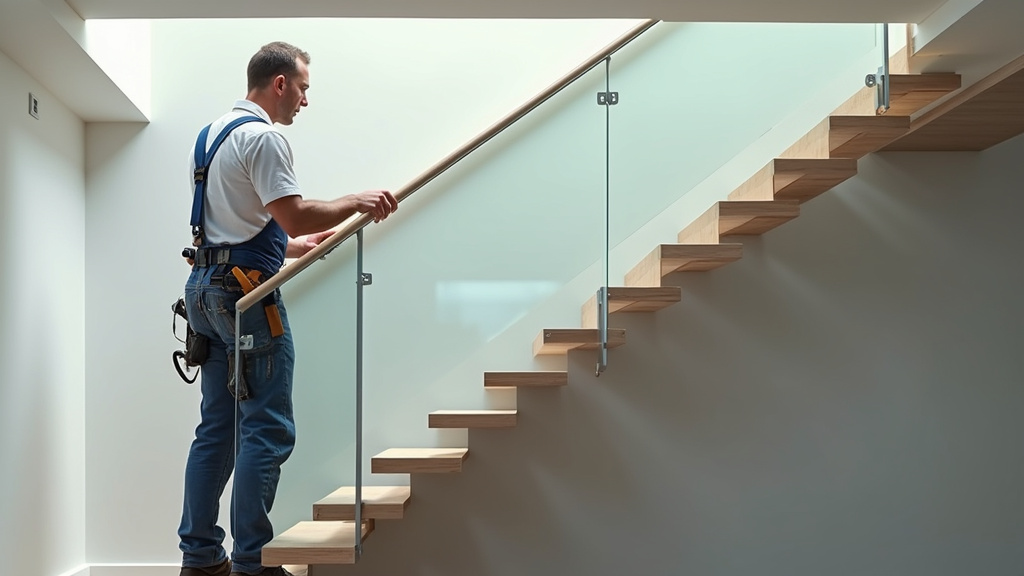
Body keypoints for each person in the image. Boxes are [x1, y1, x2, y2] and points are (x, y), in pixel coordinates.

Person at [178, 42, 398, 576]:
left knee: (217, 429)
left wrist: (291, 247)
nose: (304, 100)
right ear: (280, 83)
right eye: (302, 88)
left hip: (204, 289)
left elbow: (241, 220)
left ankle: (200, 558)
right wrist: (357, 200)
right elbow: (294, 213)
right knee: (266, 428)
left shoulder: (210, 136)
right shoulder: (265, 137)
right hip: (246, 296)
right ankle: (253, 561)